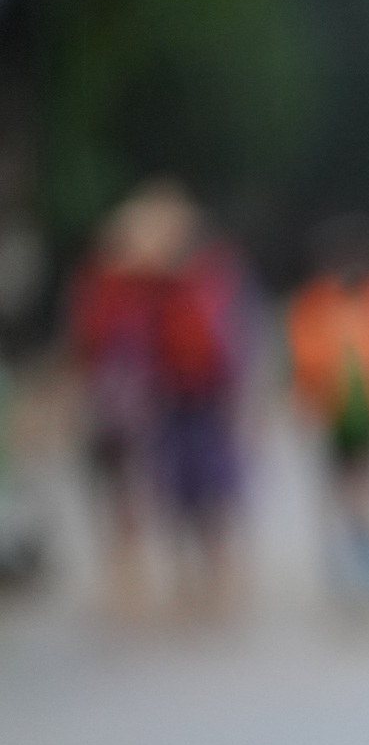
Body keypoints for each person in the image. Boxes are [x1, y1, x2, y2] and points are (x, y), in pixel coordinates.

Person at [67, 180, 252, 616]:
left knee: (203, 496)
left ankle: (210, 578)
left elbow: (232, 344)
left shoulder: (201, 279)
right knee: (138, 494)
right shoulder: (112, 285)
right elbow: (86, 346)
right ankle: (153, 579)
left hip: (190, 400)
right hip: (139, 404)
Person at [285, 220, 369, 593]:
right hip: (338, 412)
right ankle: (358, 556)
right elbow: (304, 366)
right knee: (350, 483)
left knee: (364, 481)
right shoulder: (315, 305)